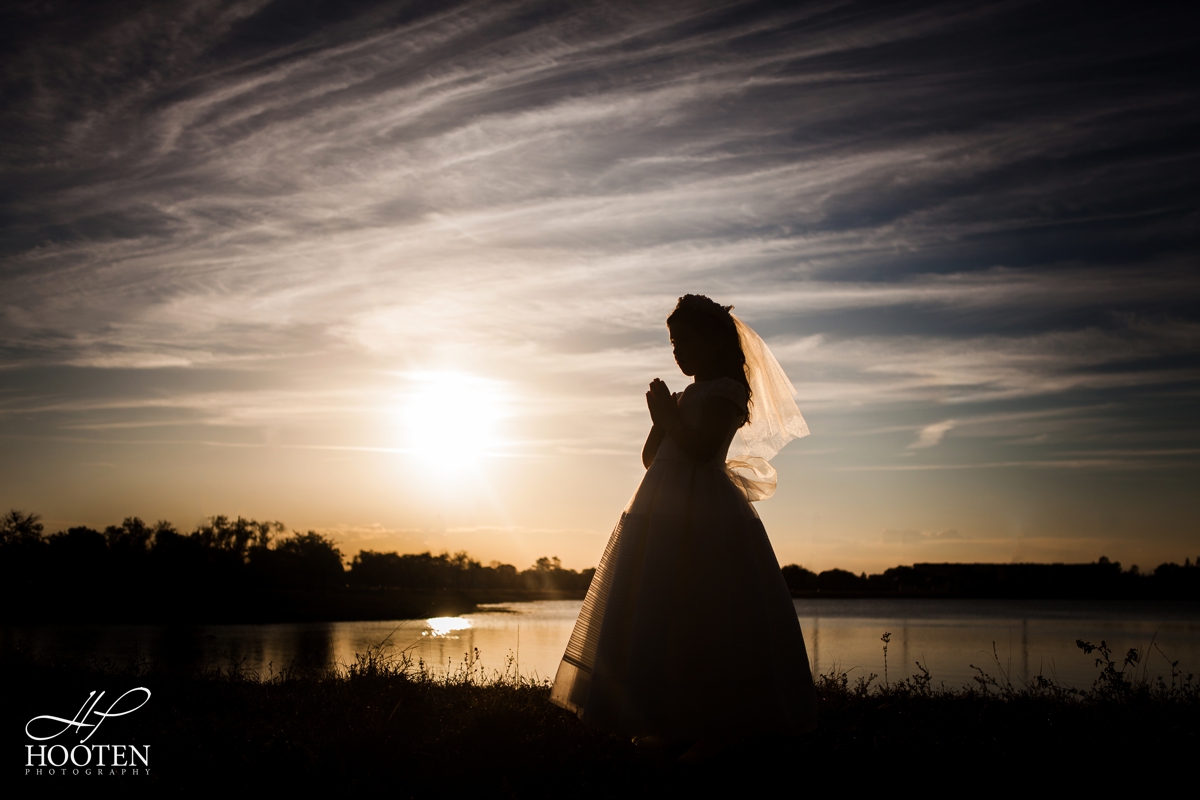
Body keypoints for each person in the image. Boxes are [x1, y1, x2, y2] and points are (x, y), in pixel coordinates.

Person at [549, 294, 818, 761]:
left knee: (709, 610)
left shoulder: (728, 392)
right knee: (664, 609)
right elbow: (653, 459)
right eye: (673, 343)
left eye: (686, 341)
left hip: (707, 511)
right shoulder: (681, 396)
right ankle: (673, 719)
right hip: (660, 508)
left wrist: (669, 418)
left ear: (715, 342)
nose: (677, 351)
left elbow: (700, 449)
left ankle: (722, 726)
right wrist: (659, 418)